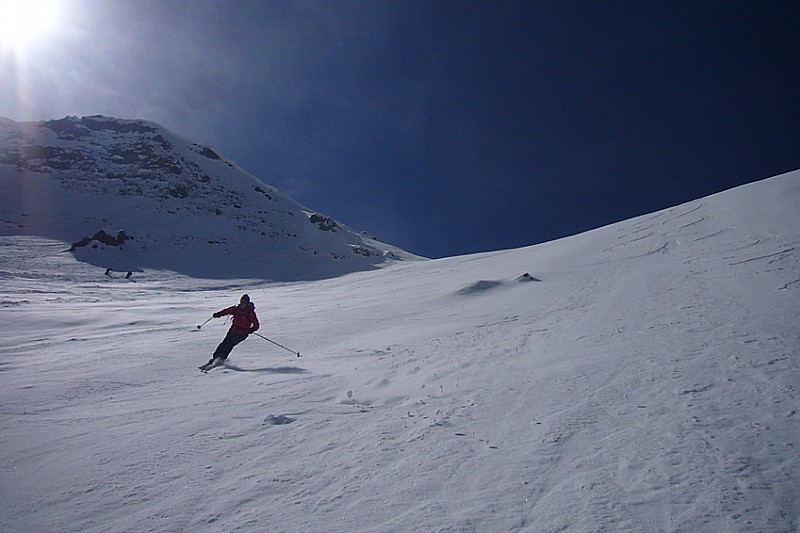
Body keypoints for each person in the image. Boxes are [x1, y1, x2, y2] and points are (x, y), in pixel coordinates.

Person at [201, 294, 259, 370]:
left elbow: (256, 325)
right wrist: (218, 314)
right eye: (241, 301)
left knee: (229, 344)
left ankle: (221, 359)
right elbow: (226, 311)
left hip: (242, 333)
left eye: (244, 302)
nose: (242, 304)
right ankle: (215, 357)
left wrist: (251, 330)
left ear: (247, 303)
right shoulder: (236, 309)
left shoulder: (250, 313)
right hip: (233, 330)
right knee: (224, 343)